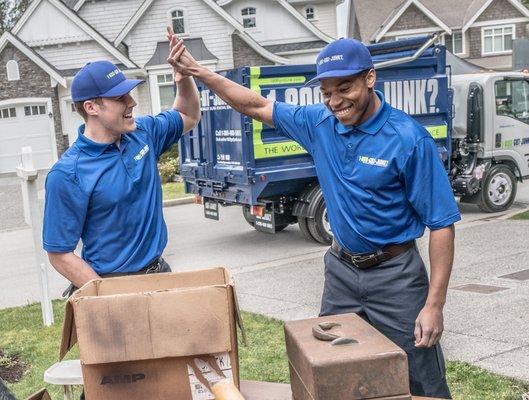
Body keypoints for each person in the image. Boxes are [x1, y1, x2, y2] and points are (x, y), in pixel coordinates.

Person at [171, 38, 461, 398]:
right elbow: (255, 104)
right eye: (326, 92)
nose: (335, 101)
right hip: (342, 272)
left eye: (345, 88)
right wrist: (199, 73)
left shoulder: (408, 139)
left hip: (396, 276)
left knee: (421, 377)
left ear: (370, 78)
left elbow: (441, 224)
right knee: (331, 369)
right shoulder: (318, 123)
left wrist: (434, 306)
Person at [42, 28, 200, 294]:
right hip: (112, 284)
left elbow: (188, 114)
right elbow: (59, 253)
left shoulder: (143, 133)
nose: (132, 102)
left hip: (159, 273)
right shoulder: (68, 173)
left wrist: (183, 78)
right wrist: (105, 294)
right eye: (119, 98)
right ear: (91, 107)